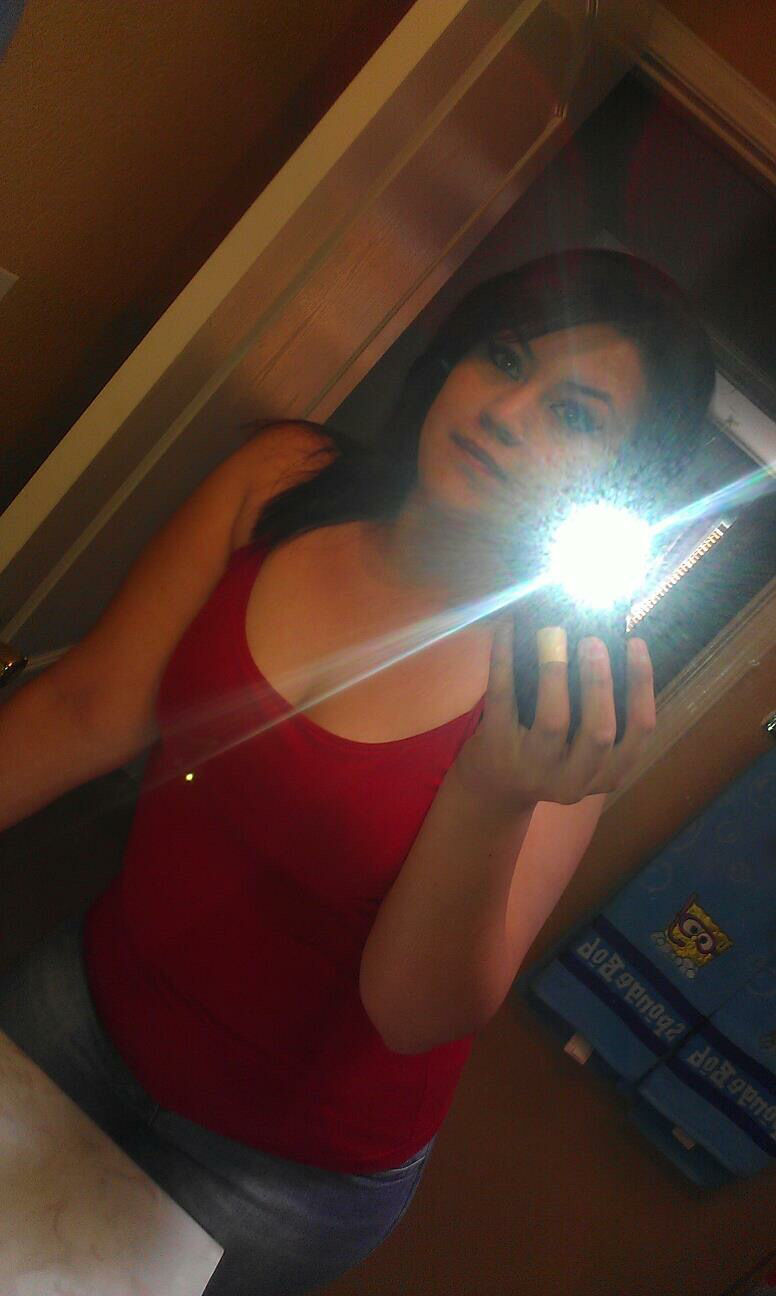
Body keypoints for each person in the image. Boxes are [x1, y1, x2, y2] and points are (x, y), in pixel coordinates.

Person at [0, 249, 715, 1294]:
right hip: (84, 1006)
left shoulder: (562, 694)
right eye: (502, 359)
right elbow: (84, 710)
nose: (503, 413)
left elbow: (412, 1011)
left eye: (571, 414)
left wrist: (495, 789)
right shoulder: (287, 481)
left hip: (277, 1173)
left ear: (623, 481)